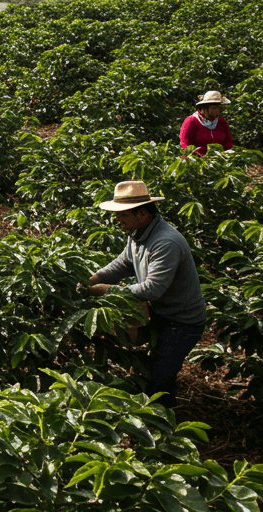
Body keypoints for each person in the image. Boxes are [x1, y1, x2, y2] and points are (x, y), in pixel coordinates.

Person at [82, 180, 206, 409]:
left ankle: (159, 423)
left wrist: (108, 291)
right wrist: (92, 279)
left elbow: (153, 288)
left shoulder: (165, 242)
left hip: (182, 322)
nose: (119, 221)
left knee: (156, 378)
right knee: (158, 371)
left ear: (142, 213)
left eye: (123, 216)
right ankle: (165, 411)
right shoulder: (138, 233)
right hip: (160, 313)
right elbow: (123, 264)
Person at [179, 91, 233, 156]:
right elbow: (185, 144)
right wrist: (196, 157)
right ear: (205, 108)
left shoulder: (221, 122)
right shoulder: (191, 121)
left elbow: (228, 143)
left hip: (219, 159)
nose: (218, 110)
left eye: (219, 107)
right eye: (214, 108)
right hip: (198, 160)